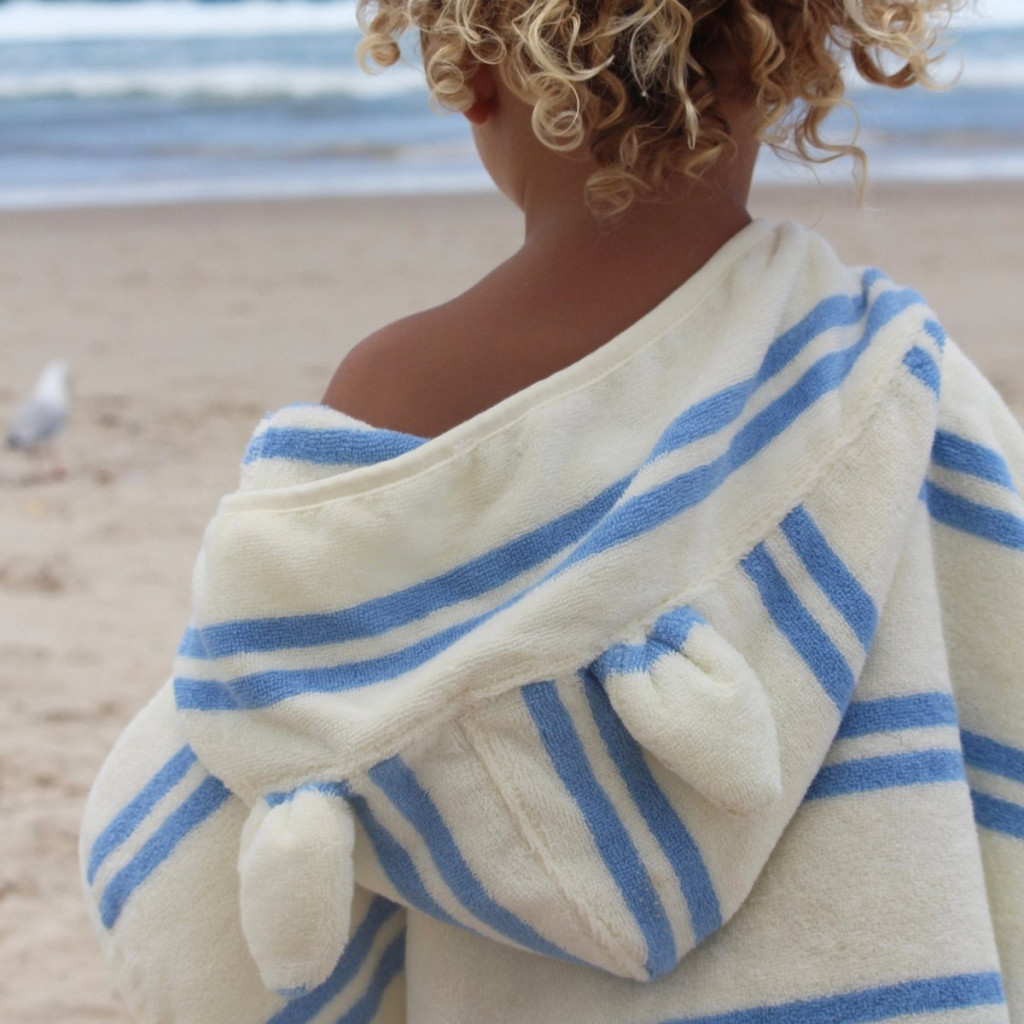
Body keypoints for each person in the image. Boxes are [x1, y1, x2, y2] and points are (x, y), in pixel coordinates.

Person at [81, 1, 1024, 1022]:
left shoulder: (398, 393)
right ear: (783, 62)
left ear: (472, 76)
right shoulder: (891, 376)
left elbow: (246, 745)